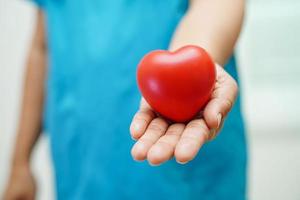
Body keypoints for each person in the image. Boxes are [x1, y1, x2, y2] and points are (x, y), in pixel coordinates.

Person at [4, 0, 247, 199]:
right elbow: (43, 47)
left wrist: (193, 66)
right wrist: (20, 162)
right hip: (82, 164)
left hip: (184, 174)